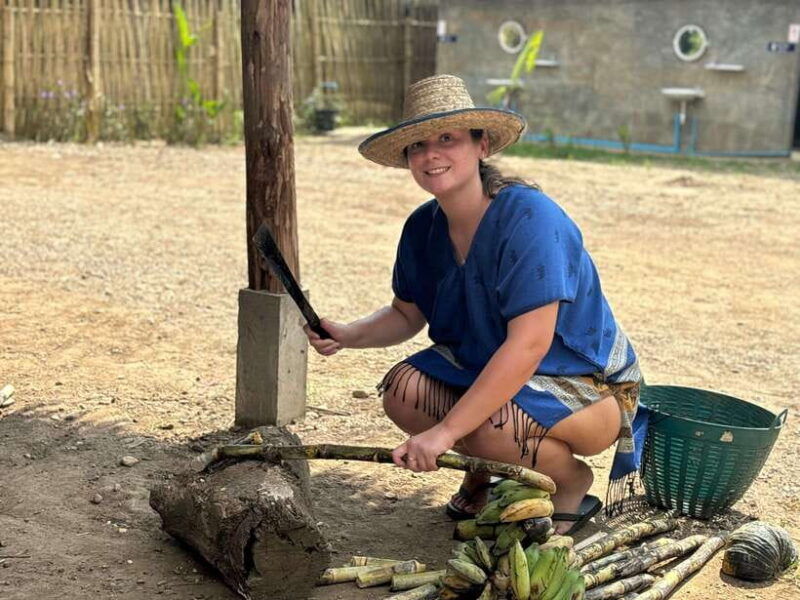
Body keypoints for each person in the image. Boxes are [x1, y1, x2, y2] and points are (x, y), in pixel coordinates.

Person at [304, 74, 648, 535]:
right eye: (418, 145)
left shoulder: (531, 219)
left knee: (488, 428)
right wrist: (348, 334)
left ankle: (571, 483)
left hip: (581, 383)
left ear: (482, 145)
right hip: (494, 366)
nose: (431, 155)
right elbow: (407, 313)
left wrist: (445, 434)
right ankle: (484, 473)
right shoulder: (422, 228)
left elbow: (529, 346)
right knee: (404, 390)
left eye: (447, 139)